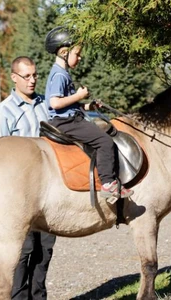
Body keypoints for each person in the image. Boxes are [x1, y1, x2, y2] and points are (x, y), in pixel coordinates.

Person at [44, 26, 134, 204]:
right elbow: (54, 103)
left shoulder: (63, 73)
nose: (80, 57)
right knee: (105, 141)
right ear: (64, 52)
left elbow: (69, 104)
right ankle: (108, 183)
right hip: (66, 122)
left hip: (68, 117)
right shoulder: (60, 75)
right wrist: (78, 95)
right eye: (77, 54)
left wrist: (88, 105)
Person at [0, 56, 56, 299]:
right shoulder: (5, 111)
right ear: (14, 78)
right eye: (26, 76)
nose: (32, 80)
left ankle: (39, 297)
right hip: (20, 195)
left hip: (49, 193)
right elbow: (0, 158)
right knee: (23, 251)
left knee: (45, 251)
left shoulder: (45, 104)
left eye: (35, 75)